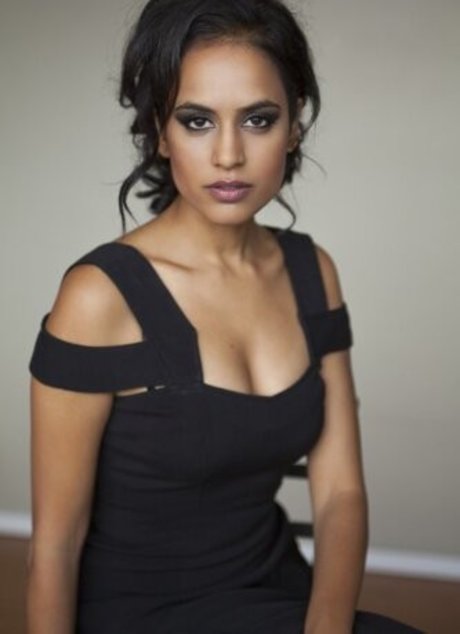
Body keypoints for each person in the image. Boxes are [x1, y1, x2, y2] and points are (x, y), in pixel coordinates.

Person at [26, 1, 424, 632]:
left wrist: (326, 626)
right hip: (144, 613)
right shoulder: (100, 297)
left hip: (280, 591)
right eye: (197, 121)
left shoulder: (311, 271)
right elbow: (55, 543)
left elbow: (341, 493)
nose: (229, 155)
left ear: (294, 125)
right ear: (160, 132)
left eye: (259, 119)